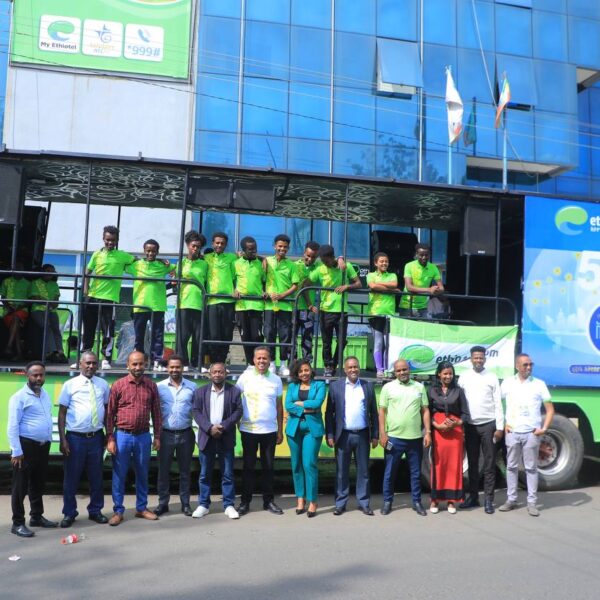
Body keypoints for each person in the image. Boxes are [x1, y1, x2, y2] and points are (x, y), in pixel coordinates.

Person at [106, 350, 162, 526]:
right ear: (128, 365)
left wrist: (157, 436)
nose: (138, 367)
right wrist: (110, 438)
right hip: (122, 436)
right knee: (119, 475)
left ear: (145, 364)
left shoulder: (151, 386)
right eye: (134, 364)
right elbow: (109, 414)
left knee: (143, 473)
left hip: (143, 436)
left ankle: (141, 508)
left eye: (141, 364)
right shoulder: (118, 385)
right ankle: (118, 511)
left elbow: (157, 413)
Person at [57, 351, 110, 527]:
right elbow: (62, 413)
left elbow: (107, 411)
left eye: (94, 363)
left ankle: (95, 511)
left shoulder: (103, 384)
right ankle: (69, 513)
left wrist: (108, 435)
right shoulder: (70, 385)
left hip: (96, 438)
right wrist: (63, 440)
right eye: (87, 363)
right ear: (80, 364)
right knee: (71, 478)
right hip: (75, 439)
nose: (91, 366)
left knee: (96, 477)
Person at [499, 353, 554, 517]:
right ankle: (511, 499)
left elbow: (550, 410)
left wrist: (544, 428)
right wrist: (503, 423)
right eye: (525, 365)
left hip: (531, 434)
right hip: (512, 432)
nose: (529, 367)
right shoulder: (507, 383)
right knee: (511, 467)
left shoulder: (539, 384)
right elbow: (497, 404)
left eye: (531, 364)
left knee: (531, 468)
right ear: (517, 366)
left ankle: (532, 503)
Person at [8, 361, 57, 537]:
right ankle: (17, 523)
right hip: (25, 447)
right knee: (20, 487)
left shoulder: (44, 394)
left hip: (42, 446)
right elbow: (12, 426)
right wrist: (16, 451)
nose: (38, 378)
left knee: (38, 483)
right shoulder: (19, 397)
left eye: (41, 375)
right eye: (34, 375)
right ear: (27, 376)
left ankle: (36, 516)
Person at [325, 356, 378, 516]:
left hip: (362, 435)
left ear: (359, 368)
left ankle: (364, 503)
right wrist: (330, 434)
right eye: (350, 367)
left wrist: (375, 435)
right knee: (342, 472)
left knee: (363, 471)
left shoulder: (368, 386)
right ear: (345, 369)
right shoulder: (335, 387)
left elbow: (374, 413)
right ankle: (340, 503)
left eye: (355, 367)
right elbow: (329, 413)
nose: (353, 370)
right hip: (343, 435)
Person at [378, 359, 431, 516]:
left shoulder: (419, 387)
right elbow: (382, 412)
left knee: (416, 473)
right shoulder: (388, 388)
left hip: (415, 438)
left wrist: (428, 432)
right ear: (394, 372)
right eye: (399, 370)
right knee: (390, 472)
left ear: (409, 369)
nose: (402, 372)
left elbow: (425, 410)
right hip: (393, 439)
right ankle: (387, 502)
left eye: (404, 369)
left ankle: (417, 502)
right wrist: (382, 433)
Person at [236, 346, 284, 516]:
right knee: (248, 467)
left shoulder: (276, 380)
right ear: (254, 360)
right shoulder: (245, 377)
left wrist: (280, 431)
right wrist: (238, 421)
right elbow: (235, 399)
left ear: (270, 360)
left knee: (268, 467)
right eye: (259, 358)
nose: (262, 361)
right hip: (248, 430)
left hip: (269, 431)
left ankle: (268, 501)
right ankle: (245, 502)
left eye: (265, 358)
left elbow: (279, 407)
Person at [192, 362, 243, 519]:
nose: (217, 374)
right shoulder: (200, 391)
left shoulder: (234, 391)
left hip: (225, 436)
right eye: (214, 372)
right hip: (206, 437)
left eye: (220, 372)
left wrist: (223, 426)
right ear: (210, 374)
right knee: (204, 474)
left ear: (226, 373)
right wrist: (209, 428)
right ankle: (203, 505)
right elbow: (196, 411)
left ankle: (228, 505)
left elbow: (238, 411)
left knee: (227, 474)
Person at [458, 345, 504, 514]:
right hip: (470, 426)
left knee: (489, 464)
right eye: (475, 357)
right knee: (472, 463)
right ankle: (473, 497)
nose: (478, 360)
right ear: (471, 359)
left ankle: (489, 500)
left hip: (489, 425)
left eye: (481, 357)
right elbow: (459, 401)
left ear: (485, 359)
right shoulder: (464, 377)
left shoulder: (492, 377)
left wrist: (499, 427)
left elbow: (498, 403)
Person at [82, 225, 136, 369]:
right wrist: (86, 290)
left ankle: (106, 358)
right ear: (103, 239)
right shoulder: (96, 254)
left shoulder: (123, 255)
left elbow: (138, 261)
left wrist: (160, 261)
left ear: (117, 240)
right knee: (88, 328)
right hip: (92, 296)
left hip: (109, 298)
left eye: (113, 240)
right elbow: (87, 271)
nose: (110, 242)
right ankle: (85, 356)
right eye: (107, 240)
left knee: (107, 329)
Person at [307, 245, 361, 377]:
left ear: (332, 257)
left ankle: (334, 364)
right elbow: (305, 284)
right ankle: (328, 366)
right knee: (326, 342)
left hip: (342, 310)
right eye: (322, 261)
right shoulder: (320, 269)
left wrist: (347, 286)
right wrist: (310, 304)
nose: (325, 263)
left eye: (326, 261)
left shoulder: (346, 266)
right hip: (325, 310)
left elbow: (358, 284)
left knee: (342, 341)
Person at [154, 354, 197, 517]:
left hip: (186, 434)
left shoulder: (192, 387)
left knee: (185, 471)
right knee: (163, 471)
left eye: (177, 367)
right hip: (165, 434)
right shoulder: (159, 387)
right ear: (167, 368)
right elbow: (155, 411)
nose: (174, 370)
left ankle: (185, 504)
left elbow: (197, 410)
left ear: (182, 368)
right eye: (171, 367)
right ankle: (163, 503)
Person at [428, 361, 470, 514]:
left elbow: (465, 414)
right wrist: (436, 425)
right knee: (438, 465)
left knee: (454, 466)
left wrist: (456, 423)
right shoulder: (431, 390)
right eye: (445, 373)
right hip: (438, 432)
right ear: (439, 374)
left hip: (455, 433)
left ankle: (452, 501)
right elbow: (427, 412)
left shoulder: (459, 391)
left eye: (450, 373)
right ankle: (435, 500)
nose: (448, 376)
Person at [285, 359, 326, 517]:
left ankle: (313, 501)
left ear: (311, 370)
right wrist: (306, 409)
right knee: (296, 465)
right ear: (297, 373)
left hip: (312, 430)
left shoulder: (319, 385)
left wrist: (299, 404)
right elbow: (288, 405)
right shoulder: (292, 386)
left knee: (309, 464)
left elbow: (317, 403)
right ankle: (300, 498)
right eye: (301, 371)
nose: (304, 373)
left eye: (306, 370)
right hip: (293, 430)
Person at [126, 239, 172, 371]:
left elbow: (175, 269)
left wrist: (163, 261)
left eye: (153, 251)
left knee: (157, 335)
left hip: (157, 306)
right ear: (144, 251)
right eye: (148, 251)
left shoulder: (162, 265)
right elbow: (123, 265)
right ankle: (139, 361)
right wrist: (134, 259)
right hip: (140, 305)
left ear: (157, 252)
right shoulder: (136, 265)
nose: (150, 253)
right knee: (139, 336)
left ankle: (156, 361)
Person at [263, 234, 299, 377]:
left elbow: (295, 285)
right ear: (274, 246)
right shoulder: (267, 261)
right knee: (269, 334)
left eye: (285, 247)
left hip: (285, 306)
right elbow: (261, 280)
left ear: (288, 248)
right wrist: (266, 293)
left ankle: (283, 364)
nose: (282, 249)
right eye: (280, 246)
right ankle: (271, 363)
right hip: (269, 306)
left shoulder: (292, 265)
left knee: (285, 335)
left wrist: (282, 295)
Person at [175, 230, 207, 371]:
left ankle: (197, 363)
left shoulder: (204, 264)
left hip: (199, 303)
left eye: (198, 247)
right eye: (193, 246)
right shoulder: (181, 263)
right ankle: (184, 363)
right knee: (182, 336)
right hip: (183, 303)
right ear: (188, 245)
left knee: (198, 336)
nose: (195, 249)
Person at [204, 231, 237, 364]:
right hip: (212, 301)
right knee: (213, 334)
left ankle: (222, 363)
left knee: (227, 334)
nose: (219, 245)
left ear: (226, 245)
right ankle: (214, 364)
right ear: (212, 244)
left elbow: (237, 276)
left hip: (228, 301)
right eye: (217, 243)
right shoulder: (206, 258)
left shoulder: (232, 258)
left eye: (222, 243)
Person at [366, 252, 399, 378]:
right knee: (378, 343)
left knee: (388, 343)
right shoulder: (370, 275)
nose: (384, 263)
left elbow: (394, 284)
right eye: (381, 261)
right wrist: (391, 290)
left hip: (390, 314)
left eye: (386, 261)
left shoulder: (392, 275)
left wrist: (380, 286)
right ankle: (379, 370)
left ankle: (387, 369)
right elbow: (372, 286)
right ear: (376, 263)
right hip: (375, 313)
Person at [234, 236, 265, 367]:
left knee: (257, 336)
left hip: (257, 305)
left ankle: (258, 363)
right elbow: (231, 280)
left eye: (255, 249)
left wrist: (264, 291)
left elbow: (265, 282)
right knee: (245, 336)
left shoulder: (261, 264)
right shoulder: (235, 263)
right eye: (250, 249)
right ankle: (250, 364)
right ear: (243, 250)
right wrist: (234, 290)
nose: (253, 252)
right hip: (241, 305)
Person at [29, 264, 67, 363]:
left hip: (51, 310)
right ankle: (51, 352)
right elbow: (34, 298)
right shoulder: (35, 283)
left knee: (56, 330)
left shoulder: (54, 284)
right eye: (48, 271)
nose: (50, 274)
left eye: (52, 272)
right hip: (37, 310)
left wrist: (47, 302)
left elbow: (56, 301)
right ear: (43, 271)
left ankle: (60, 352)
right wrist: (47, 302)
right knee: (47, 327)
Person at [399, 243, 444, 319]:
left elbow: (442, 288)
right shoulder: (409, 266)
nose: (424, 257)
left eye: (426, 255)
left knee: (424, 326)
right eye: (421, 255)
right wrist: (429, 290)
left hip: (423, 307)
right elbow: (409, 287)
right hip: (407, 306)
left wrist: (436, 290)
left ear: (429, 255)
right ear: (416, 254)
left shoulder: (433, 268)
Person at [294, 241, 320, 364]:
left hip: (308, 310)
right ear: (304, 253)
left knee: (307, 338)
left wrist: (340, 258)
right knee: (292, 336)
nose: (310, 259)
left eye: (313, 257)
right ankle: (292, 363)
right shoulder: (294, 265)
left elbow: (333, 262)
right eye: (308, 256)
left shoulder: (319, 267)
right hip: (293, 307)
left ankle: (307, 364)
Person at [1, 265, 31, 360]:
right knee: (16, 326)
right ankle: (19, 353)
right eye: (16, 269)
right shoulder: (6, 281)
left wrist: (18, 308)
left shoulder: (28, 283)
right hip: (8, 311)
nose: (17, 271)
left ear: (23, 270)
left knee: (16, 317)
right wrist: (9, 307)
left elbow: (30, 300)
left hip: (22, 310)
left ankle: (9, 346)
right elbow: (3, 297)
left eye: (19, 269)